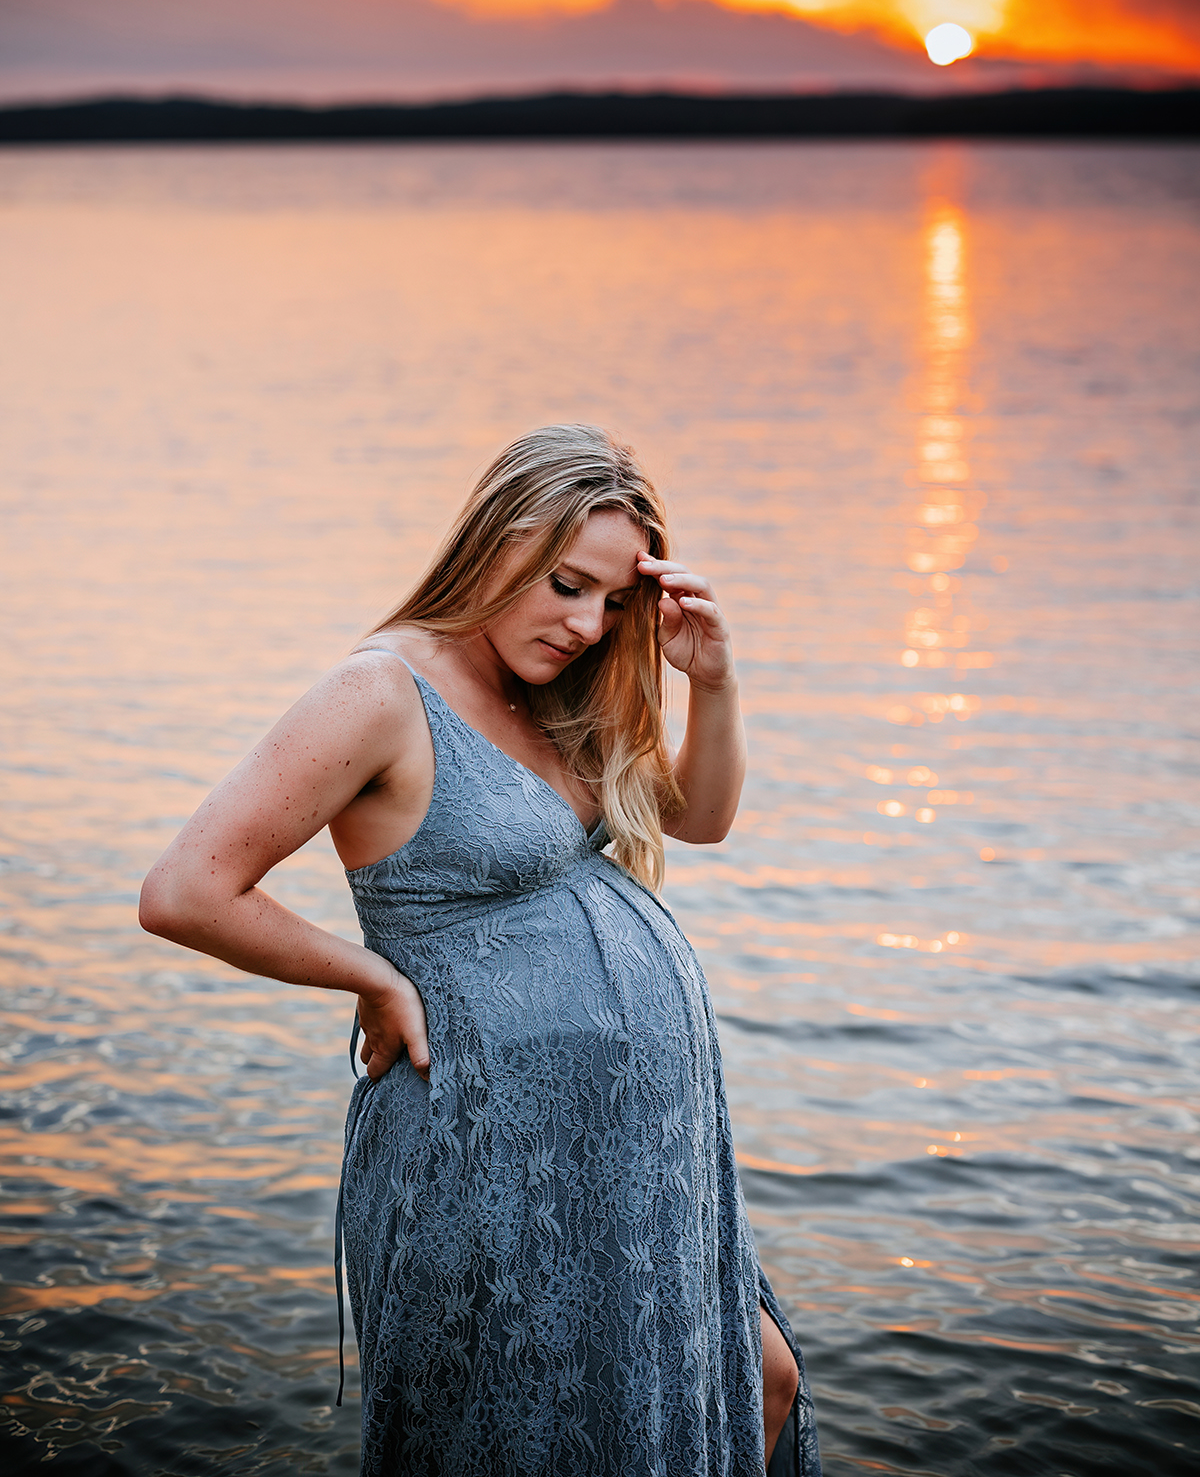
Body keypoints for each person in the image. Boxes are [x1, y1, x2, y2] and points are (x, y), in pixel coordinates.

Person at [140, 422, 821, 1476]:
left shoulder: (550, 693)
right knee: (521, 1440)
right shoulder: (379, 694)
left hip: (632, 1160)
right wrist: (367, 972)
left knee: (754, 1379)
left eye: (610, 601)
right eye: (564, 584)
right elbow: (185, 890)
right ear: (499, 536)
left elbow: (700, 818)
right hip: (486, 1155)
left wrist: (716, 682)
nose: (587, 624)